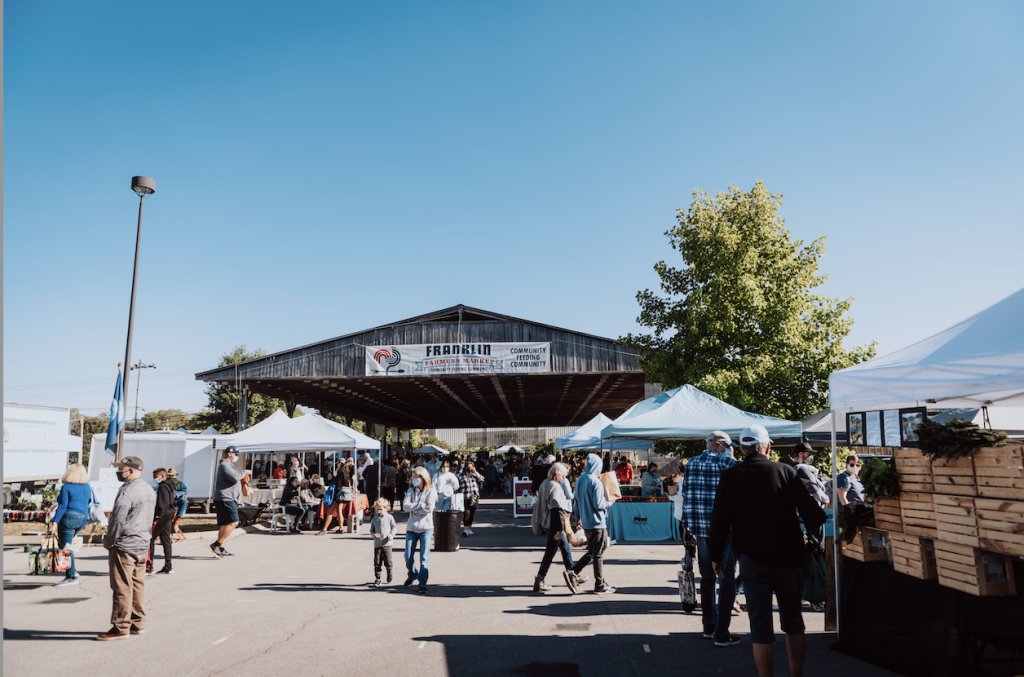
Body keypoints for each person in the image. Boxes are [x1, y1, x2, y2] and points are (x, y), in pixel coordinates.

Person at [710, 425, 826, 677]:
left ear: (741, 449)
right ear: (768, 447)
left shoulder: (731, 476)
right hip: (789, 558)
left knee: (760, 627)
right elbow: (815, 515)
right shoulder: (786, 472)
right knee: (793, 623)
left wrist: (715, 557)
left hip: (752, 559)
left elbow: (718, 521)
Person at [682, 430, 740, 647]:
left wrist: (686, 527)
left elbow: (686, 494)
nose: (728, 449)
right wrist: (731, 455)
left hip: (700, 528)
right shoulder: (727, 464)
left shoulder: (692, 464)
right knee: (726, 578)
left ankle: (708, 625)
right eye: (726, 445)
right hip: (724, 530)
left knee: (707, 578)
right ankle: (721, 631)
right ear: (718, 445)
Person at [98, 456, 155, 640]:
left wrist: (109, 541)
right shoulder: (148, 489)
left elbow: (117, 519)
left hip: (124, 544)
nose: (118, 472)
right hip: (142, 542)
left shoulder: (127, 492)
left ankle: (121, 626)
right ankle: (137, 623)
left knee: (122, 586)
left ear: (130, 470)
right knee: (137, 584)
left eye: (121, 469)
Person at [531, 463, 584, 593]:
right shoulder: (554, 487)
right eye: (564, 475)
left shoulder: (546, 483)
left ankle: (570, 575)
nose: (565, 477)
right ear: (558, 474)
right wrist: (560, 530)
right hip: (555, 525)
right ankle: (568, 576)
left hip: (551, 524)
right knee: (552, 553)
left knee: (564, 550)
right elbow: (555, 510)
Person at [567, 453, 614, 594]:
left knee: (594, 550)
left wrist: (578, 520)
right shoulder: (595, 481)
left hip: (586, 522)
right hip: (597, 522)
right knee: (598, 553)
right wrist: (610, 502)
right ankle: (599, 584)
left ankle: (573, 572)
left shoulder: (580, 479)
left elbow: (575, 504)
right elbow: (599, 504)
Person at [49, 463, 92, 587]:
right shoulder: (87, 487)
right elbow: (89, 503)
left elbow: (62, 507)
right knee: (69, 545)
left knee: (65, 547)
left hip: (69, 518)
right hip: (83, 518)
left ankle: (71, 576)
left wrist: (55, 523)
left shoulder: (66, 487)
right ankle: (73, 570)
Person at [402, 467, 437, 594]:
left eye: (416, 476)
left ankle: (422, 584)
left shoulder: (431, 491)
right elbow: (405, 506)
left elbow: (429, 508)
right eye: (413, 477)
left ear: (423, 477)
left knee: (424, 558)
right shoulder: (411, 490)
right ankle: (413, 573)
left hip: (425, 528)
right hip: (411, 528)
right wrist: (418, 506)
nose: (414, 479)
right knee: (407, 556)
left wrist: (414, 508)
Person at [211, 447, 243, 558]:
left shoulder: (227, 465)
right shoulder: (224, 465)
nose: (236, 456)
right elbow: (235, 477)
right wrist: (245, 472)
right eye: (236, 454)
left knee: (224, 524)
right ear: (230, 454)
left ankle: (220, 548)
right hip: (226, 498)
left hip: (227, 497)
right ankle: (217, 544)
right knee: (234, 522)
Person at [147, 468, 176, 575]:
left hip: (162, 516)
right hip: (169, 514)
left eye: (156, 477)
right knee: (166, 540)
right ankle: (168, 566)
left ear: (162, 476)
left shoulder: (163, 486)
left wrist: (157, 516)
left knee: (150, 539)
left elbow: (162, 503)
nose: (154, 479)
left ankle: (149, 567)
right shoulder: (170, 485)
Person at [318, 461, 353, 535]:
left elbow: (338, 484)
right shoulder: (347, 473)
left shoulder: (340, 472)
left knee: (330, 511)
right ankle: (341, 528)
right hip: (343, 495)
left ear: (341, 464)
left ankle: (324, 529)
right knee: (339, 511)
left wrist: (334, 477)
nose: (337, 464)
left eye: (338, 463)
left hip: (338, 495)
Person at [370, 497, 396, 587]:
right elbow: (371, 530)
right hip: (377, 544)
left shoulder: (389, 517)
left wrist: (391, 535)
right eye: (377, 509)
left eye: (381, 509)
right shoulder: (374, 519)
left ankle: (389, 573)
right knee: (377, 562)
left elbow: (394, 527)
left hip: (387, 544)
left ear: (385, 508)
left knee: (388, 561)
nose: (379, 511)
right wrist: (374, 535)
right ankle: (378, 578)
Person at [458, 461, 484, 536]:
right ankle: (465, 529)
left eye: (471, 467)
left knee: (472, 514)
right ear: (465, 467)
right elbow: (456, 485)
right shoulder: (461, 475)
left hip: (474, 497)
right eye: (468, 467)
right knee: (466, 514)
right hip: (465, 497)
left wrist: (475, 471)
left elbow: (482, 479)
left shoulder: (474, 475)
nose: (469, 468)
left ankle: (469, 528)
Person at [167, 468, 188, 542]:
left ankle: (176, 521)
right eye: (170, 475)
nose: (171, 477)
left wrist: (177, 494)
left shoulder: (178, 483)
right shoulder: (165, 482)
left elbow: (184, 491)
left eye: (173, 475)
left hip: (176, 500)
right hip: (167, 500)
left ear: (175, 475)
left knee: (184, 502)